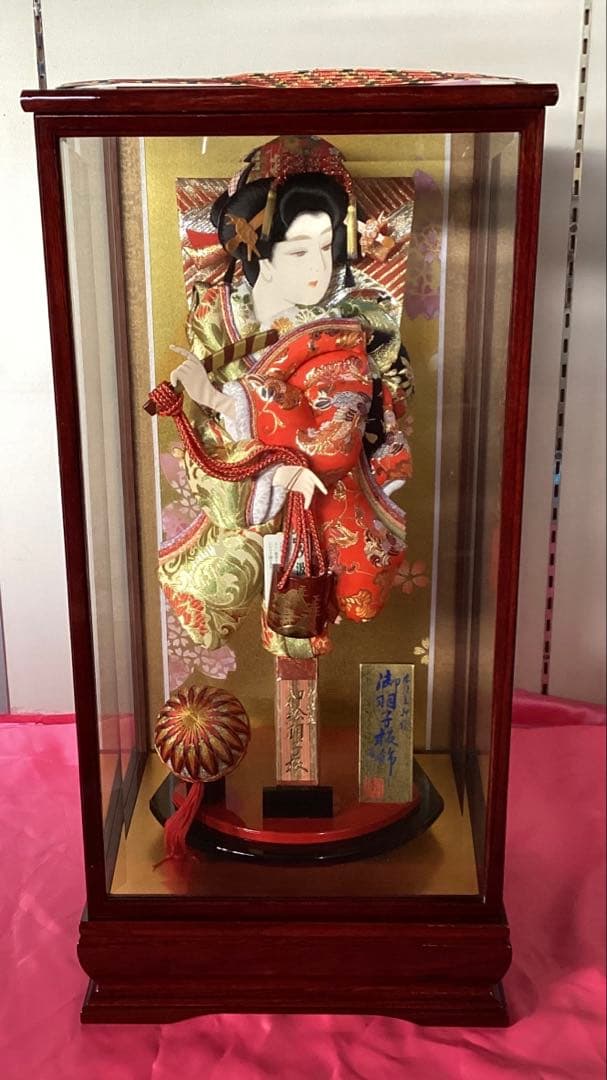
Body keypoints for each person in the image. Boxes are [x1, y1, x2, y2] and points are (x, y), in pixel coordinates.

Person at [149, 135, 414, 661]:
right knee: (211, 584)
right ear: (261, 256)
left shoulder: (349, 329)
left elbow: (338, 435)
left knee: (312, 609)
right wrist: (214, 416)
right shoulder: (218, 318)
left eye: (327, 247)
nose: (318, 266)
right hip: (245, 490)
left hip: (326, 494)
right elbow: (204, 434)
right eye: (298, 250)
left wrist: (227, 401)